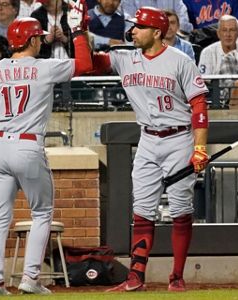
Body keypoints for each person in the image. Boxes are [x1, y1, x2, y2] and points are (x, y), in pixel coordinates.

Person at [0, 4, 93, 295]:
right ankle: (30, 279)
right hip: (27, 145)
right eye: (38, 38)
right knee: (42, 213)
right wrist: (78, 32)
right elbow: (85, 64)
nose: (41, 41)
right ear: (32, 40)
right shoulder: (43, 67)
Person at [92, 7, 209, 292]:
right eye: (133, 27)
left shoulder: (180, 60)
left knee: (181, 209)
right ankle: (135, 278)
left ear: (157, 32)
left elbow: (200, 106)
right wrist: (79, 30)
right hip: (147, 139)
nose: (132, 31)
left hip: (179, 138)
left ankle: (177, 276)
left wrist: (200, 147)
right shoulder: (125, 58)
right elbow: (87, 64)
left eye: (139, 27)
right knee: (142, 210)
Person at [121, 0, 193, 33]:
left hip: (172, 43)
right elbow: (129, 23)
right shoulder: (129, 1)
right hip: (143, 43)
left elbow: (185, 26)